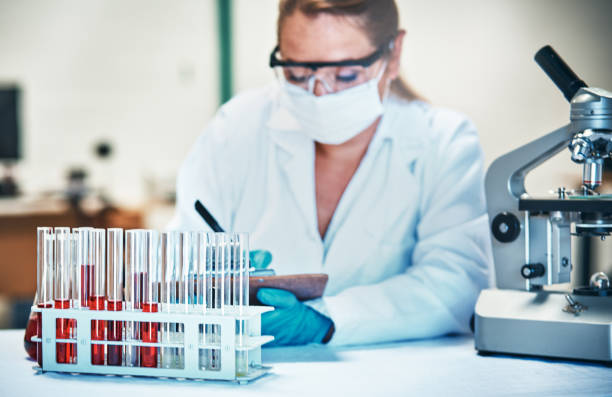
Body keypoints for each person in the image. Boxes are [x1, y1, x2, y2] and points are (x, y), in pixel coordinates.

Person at [169, 0, 493, 346]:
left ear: (393, 54)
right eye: (297, 73)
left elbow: (455, 284)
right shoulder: (237, 127)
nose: (319, 93)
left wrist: (327, 319)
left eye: (346, 75)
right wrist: (210, 279)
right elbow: (179, 262)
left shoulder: (444, 142)